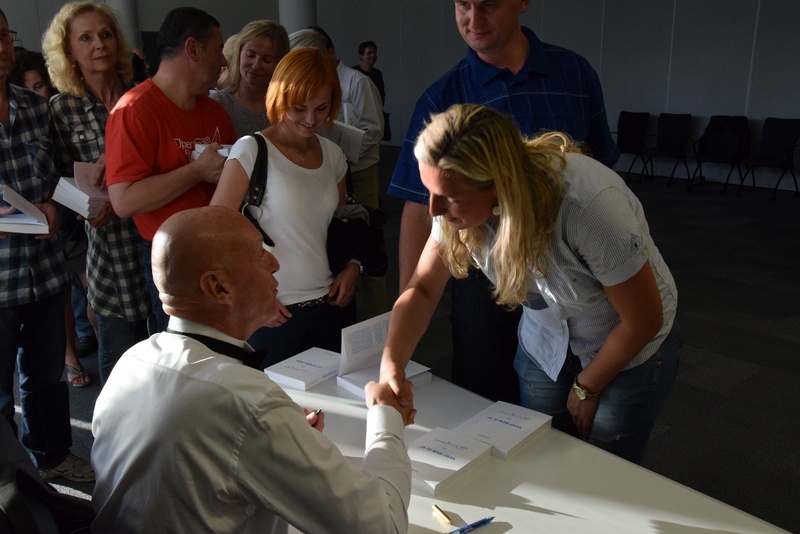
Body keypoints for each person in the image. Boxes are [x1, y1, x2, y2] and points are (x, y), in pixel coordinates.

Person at [378, 104, 679, 463]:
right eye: (429, 190)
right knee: (541, 458)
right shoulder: (451, 198)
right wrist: (392, 365)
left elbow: (643, 319)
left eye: (451, 198)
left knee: (602, 466)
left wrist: (587, 386)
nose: (433, 210)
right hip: (547, 338)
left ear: (502, 184)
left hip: (624, 339)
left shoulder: (587, 205)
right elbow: (423, 290)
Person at [91, 206, 412, 533]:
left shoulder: (131, 362)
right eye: (260, 253)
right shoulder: (247, 404)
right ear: (219, 287)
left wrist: (278, 439)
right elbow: (383, 526)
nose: (275, 264)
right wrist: (387, 415)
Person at [388, 0, 620, 405]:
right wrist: (408, 323)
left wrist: (617, 254)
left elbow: (605, 175)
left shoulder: (574, 74)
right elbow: (418, 206)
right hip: (483, 270)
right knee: (484, 394)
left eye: (489, 5)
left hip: (570, 270)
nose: (473, 19)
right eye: (463, 4)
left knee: (576, 397)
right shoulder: (441, 97)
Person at [211, 47, 358, 366]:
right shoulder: (252, 150)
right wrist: (250, 298)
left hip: (330, 307)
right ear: (279, 98)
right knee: (269, 398)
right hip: (272, 313)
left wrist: (354, 264)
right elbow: (214, 233)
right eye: (299, 108)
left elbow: (342, 225)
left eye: (322, 108)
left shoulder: (333, 155)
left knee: (333, 398)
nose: (311, 119)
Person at [0, 7, 94, 482]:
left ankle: (53, 457)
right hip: (0, 276)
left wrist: (58, 204)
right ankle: (6, 477)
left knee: (46, 377)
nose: (0, 47)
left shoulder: (36, 107)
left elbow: (56, 175)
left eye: (3, 35)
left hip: (44, 267)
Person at [105, 7, 236, 333]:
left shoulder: (215, 111)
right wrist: (196, 172)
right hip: (172, 258)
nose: (224, 61)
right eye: (218, 49)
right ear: (192, 49)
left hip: (219, 252)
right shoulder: (134, 110)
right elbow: (124, 201)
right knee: (184, 354)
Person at [44, 1, 150, 385]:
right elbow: (55, 180)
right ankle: (113, 425)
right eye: (86, 38)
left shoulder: (143, 97)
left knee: (162, 354)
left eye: (105, 35)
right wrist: (82, 207)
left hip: (152, 233)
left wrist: (116, 156)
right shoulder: (61, 109)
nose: (99, 45)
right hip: (108, 244)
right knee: (118, 357)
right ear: (69, 52)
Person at [290, 27, 387, 320]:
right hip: (323, 170)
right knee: (335, 240)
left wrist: (345, 150)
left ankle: (376, 324)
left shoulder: (357, 82)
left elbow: (375, 129)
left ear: (331, 54)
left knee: (366, 239)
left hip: (359, 170)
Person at [210, 20, 289, 137]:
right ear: (239, 53)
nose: (256, 65)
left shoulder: (287, 108)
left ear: (279, 64)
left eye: (266, 60)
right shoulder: (217, 103)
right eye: (250, 55)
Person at [352, 40, 390, 142]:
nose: (373, 55)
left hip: (374, 116)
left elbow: (381, 96)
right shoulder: (354, 73)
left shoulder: (377, 74)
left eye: (374, 52)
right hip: (358, 117)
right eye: (369, 53)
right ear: (361, 56)